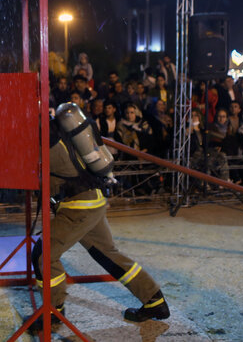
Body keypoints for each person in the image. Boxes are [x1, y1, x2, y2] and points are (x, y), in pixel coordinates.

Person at [25, 103, 169, 333]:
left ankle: (54, 312)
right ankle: (155, 301)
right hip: (94, 199)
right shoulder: (61, 129)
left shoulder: (46, 137)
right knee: (108, 254)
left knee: (43, 254)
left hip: (78, 206)